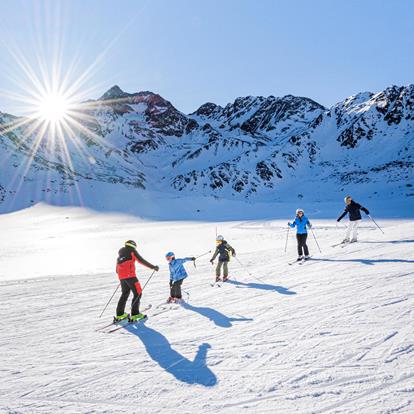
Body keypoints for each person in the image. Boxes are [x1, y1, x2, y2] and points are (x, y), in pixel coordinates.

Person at [115, 240, 159, 322]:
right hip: (131, 276)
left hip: (122, 278)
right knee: (138, 293)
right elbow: (141, 260)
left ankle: (120, 314)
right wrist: (153, 267)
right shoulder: (132, 251)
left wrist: (123, 276)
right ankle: (135, 314)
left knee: (124, 294)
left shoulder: (119, 256)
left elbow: (117, 270)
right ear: (133, 245)